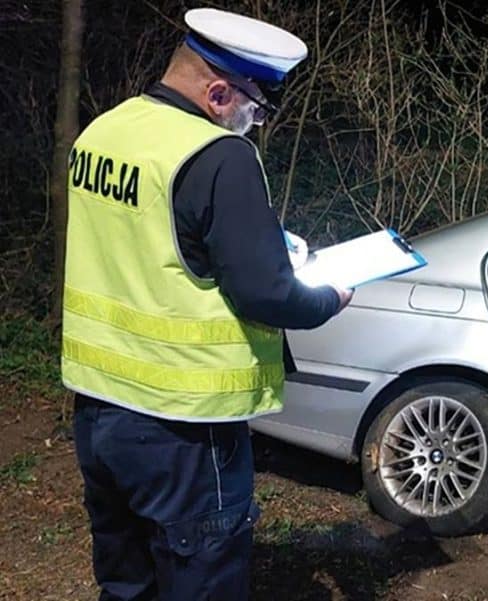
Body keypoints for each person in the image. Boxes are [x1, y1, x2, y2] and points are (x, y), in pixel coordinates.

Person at [61, 8, 352, 600]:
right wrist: (329, 297)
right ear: (220, 93)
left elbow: (152, 243)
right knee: (202, 582)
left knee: (126, 581)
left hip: (98, 413)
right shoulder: (220, 156)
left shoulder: (105, 130)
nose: (258, 123)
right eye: (258, 107)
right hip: (184, 428)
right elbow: (267, 293)